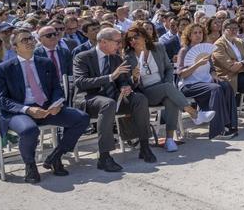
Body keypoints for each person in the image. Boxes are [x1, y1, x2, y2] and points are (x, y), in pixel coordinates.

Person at [0, 28, 89, 183]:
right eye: (24, 40)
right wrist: (27, 109)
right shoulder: (3, 69)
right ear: (15, 47)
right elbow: (1, 99)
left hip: (46, 108)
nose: (30, 42)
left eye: (31, 38)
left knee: (82, 118)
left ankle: (55, 156)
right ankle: (30, 165)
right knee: (30, 130)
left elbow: (56, 88)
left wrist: (56, 103)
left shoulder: (45, 63)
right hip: (19, 112)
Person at [72, 27, 157, 171]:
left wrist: (129, 83)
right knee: (108, 104)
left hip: (112, 99)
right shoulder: (83, 57)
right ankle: (104, 157)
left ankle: (144, 146)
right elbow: (81, 82)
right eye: (117, 42)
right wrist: (110, 77)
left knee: (140, 99)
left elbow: (123, 81)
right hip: (89, 99)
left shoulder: (116, 58)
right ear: (103, 42)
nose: (120, 45)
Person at [125, 23, 192, 152]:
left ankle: (169, 140)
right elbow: (129, 83)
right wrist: (133, 77)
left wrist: (166, 83)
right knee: (168, 89)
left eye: (136, 37)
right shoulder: (128, 56)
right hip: (145, 92)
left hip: (162, 87)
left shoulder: (158, 48)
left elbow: (168, 68)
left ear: (144, 37)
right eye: (130, 38)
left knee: (170, 100)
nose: (133, 40)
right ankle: (192, 112)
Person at [176, 23, 235, 138]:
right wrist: (197, 64)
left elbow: (212, 69)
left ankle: (230, 124)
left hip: (206, 82)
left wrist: (215, 75)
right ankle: (217, 131)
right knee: (216, 89)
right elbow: (181, 74)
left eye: (200, 32)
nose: (198, 35)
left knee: (226, 85)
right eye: (195, 33)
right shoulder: (184, 51)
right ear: (189, 35)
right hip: (189, 85)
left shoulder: (205, 49)